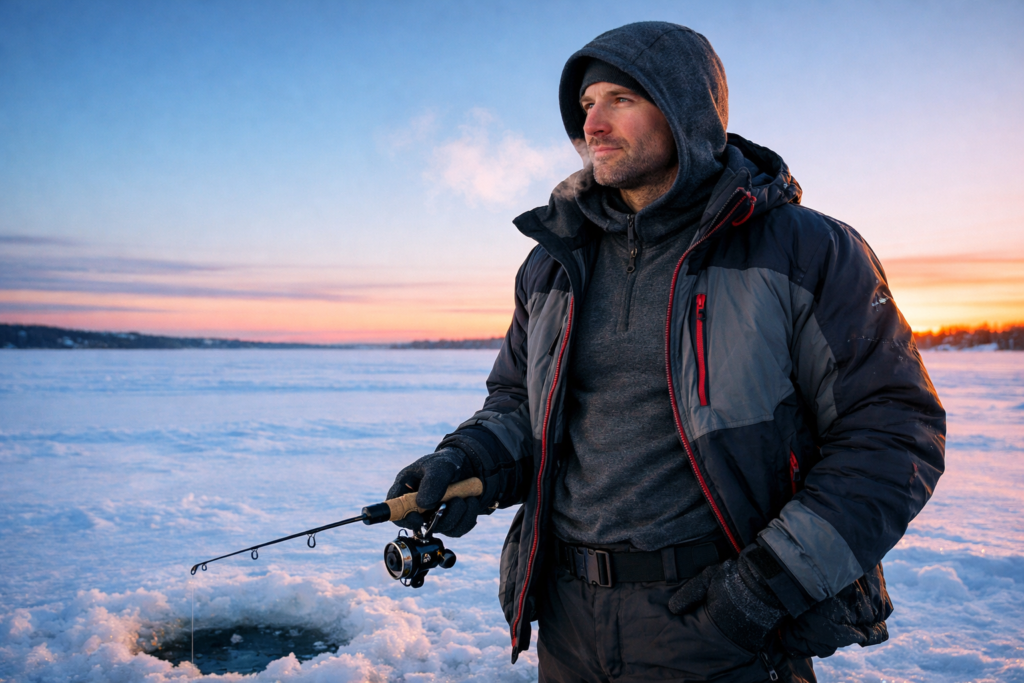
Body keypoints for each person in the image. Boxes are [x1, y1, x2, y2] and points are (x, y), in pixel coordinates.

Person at [386, 21, 945, 682]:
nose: (593, 122)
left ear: (687, 112)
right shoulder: (554, 264)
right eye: (587, 104)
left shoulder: (803, 249)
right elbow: (519, 405)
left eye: (620, 98)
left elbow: (894, 432)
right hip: (568, 623)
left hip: (717, 624)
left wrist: (763, 589)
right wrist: (466, 459)